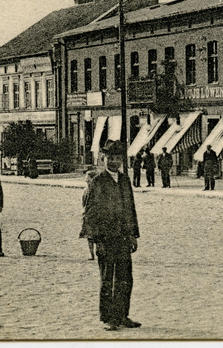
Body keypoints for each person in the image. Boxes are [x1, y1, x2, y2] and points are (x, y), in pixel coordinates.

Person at [82, 140, 141, 332]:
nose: (114, 162)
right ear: (104, 158)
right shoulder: (98, 181)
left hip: (123, 238)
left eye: (117, 158)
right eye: (110, 158)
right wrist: (96, 240)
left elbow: (130, 208)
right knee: (107, 279)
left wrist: (133, 234)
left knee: (125, 278)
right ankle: (108, 317)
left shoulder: (125, 180)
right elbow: (91, 212)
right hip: (106, 238)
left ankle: (122, 315)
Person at [79, 168, 99, 260]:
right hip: (88, 214)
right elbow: (83, 203)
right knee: (90, 236)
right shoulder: (86, 190)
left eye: (87, 177)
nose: (85, 178)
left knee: (96, 236)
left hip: (95, 215)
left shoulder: (96, 190)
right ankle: (92, 254)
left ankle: (97, 253)